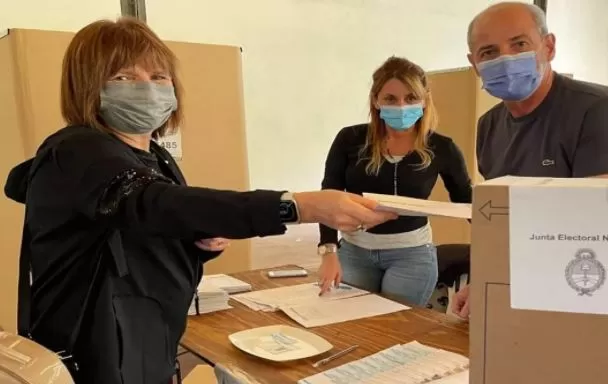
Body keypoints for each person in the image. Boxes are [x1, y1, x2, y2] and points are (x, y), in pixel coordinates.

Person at [2, 18, 396, 384]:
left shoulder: (154, 157)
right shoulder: (79, 150)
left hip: (145, 334)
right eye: (123, 76)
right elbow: (152, 204)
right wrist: (298, 206)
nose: (147, 87)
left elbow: (149, 225)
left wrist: (197, 243)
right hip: (97, 349)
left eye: (158, 76)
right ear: (88, 87)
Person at [451, 2, 608, 318]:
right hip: (525, 282)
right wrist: (487, 280)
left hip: (592, 281)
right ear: (474, 64)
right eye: (489, 52)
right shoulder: (489, 126)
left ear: (549, 46)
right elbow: (503, 222)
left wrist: (505, 281)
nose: (506, 59)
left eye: (519, 44)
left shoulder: (599, 109)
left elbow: (593, 223)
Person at [316, 56, 473, 307]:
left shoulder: (442, 148)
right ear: (376, 100)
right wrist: (329, 253)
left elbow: (467, 200)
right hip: (355, 253)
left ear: (424, 101)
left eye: (411, 98)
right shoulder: (350, 139)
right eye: (390, 98)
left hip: (412, 256)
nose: (401, 106)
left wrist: (497, 247)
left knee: (397, 329)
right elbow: (329, 196)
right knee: (351, 324)